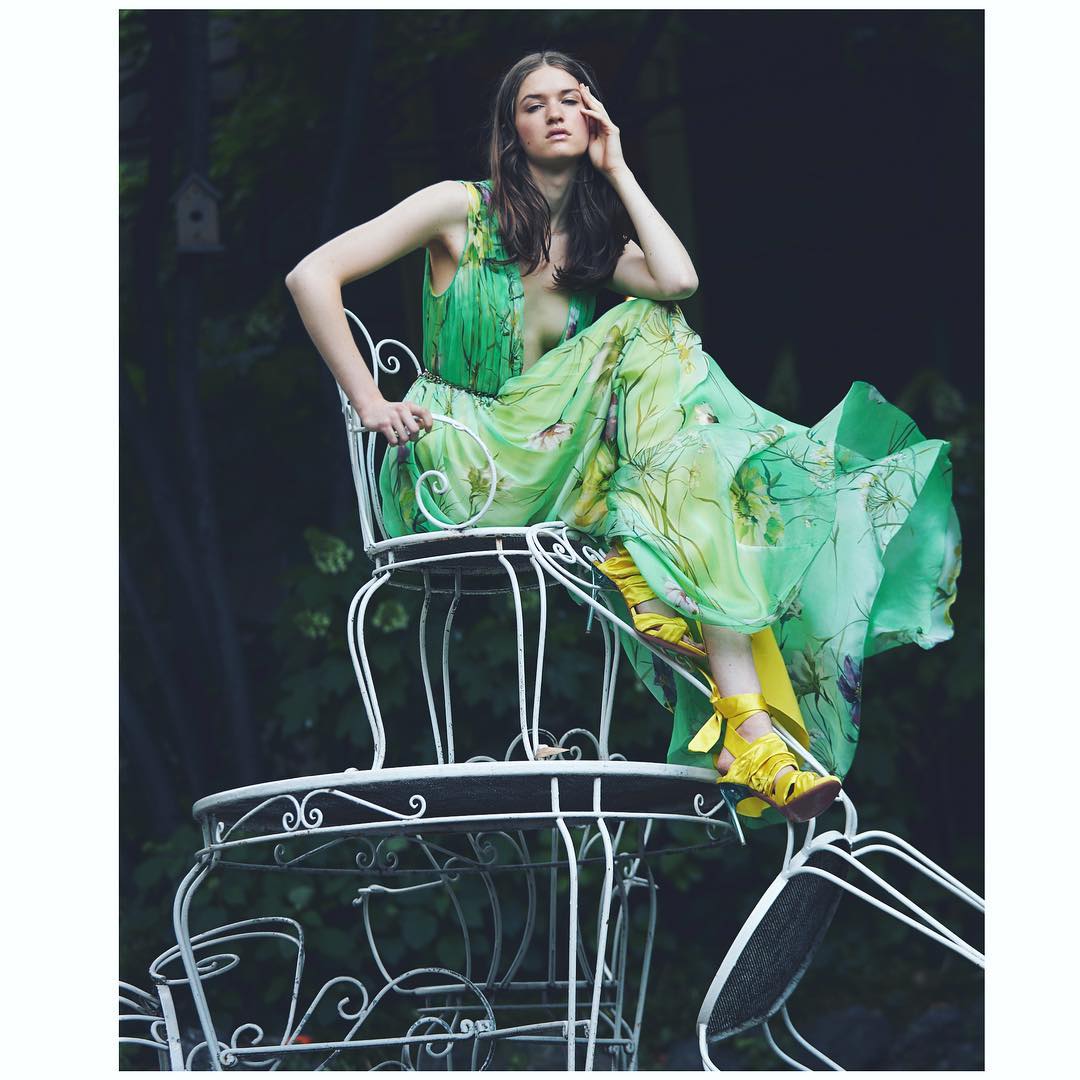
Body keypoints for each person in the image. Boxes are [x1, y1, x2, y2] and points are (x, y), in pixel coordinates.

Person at [285, 50, 961, 824]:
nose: (555, 113)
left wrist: (621, 167)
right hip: (460, 460)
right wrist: (369, 401)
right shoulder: (457, 207)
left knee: (691, 474)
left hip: (553, 456)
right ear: (510, 130)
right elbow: (312, 276)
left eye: (571, 100)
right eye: (534, 104)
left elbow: (679, 279)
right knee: (648, 333)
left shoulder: (586, 245)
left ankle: (748, 727)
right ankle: (738, 704)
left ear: (594, 116)